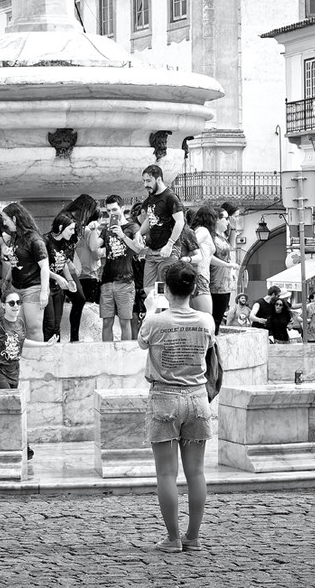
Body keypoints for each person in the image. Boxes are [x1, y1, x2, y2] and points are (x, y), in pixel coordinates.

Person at [137, 263, 214, 553]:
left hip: (165, 398)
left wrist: (150, 308)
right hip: (197, 398)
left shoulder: (157, 321)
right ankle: (192, 537)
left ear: (167, 289)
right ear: (193, 289)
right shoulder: (207, 320)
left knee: (166, 474)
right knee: (196, 473)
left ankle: (173, 538)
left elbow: (141, 342)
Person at [0, 289, 57, 460]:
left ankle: (3, 445)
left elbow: (22, 342)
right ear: (3, 305)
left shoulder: (20, 323)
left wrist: (45, 346)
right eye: (11, 303)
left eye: (18, 303)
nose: (15, 306)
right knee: (13, 408)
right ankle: (22, 447)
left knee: (8, 410)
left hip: (13, 373)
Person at [2, 202, 50, 343]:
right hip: (17, 288)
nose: (4, 223)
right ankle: (24, 360)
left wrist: (43, 292)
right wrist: (6, 280)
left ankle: (38, 360)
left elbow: (45, 267)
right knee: (19, 328)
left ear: (15, 219)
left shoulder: (34, 239)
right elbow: (16, 263)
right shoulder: (15, 236)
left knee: (34, 328)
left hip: (33, 288)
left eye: (6, 219)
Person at [100, 194, 143, 342]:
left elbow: (139, 249)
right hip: (107, 280)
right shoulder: (106, 229)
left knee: (125, 322)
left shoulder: (133, 227)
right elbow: (94, 247)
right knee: (106, 322)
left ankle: (125, 357)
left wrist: (123, 235)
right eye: (109, 211)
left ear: (122, 208)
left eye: (114, 209)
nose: (112, 213)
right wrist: (93, 229)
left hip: (125, 281)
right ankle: (108, 356)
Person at [137, 164, 185, 292]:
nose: (145, 185)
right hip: (152, 250)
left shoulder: (170, 197)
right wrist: (139, 233)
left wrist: (170, 244)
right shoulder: (151, 197)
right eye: (144, 181)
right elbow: (150, 218)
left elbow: (180, 221)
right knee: (148, 289)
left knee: (164, 290)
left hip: (168, 250)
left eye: (148, 181)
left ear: (158, 180)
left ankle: (164, 311)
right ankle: (157, 311)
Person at [66, 195, 104, 343]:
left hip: (76, 270)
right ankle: (74, 337)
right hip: (79, 270)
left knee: (79, 302)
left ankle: (74, 337)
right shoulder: (82, 228)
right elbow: (95, 250)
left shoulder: (79, 227)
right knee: (81, 302)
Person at [42, 212, 78, 342]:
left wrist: (70, 280)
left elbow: (63, 263)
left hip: (59, 288)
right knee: (49, 324)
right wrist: (57, 277)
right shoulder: (45, 241)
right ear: (61, 227)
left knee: (57, 325)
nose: (73, 232)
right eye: (71, 229)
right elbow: (41, 267)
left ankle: (57, 354)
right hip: (46, 286)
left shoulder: (65, 243)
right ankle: (46, 353)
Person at [208, 207, 236, 334]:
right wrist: (227, 265)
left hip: (225, 282)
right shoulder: (211, 237)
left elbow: (231, 248)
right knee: (214, 319)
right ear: (217, 220)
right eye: (225, 218)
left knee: (218, 320)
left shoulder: (223, 237)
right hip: (215, 283)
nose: (228, 221)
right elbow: (209, 256)